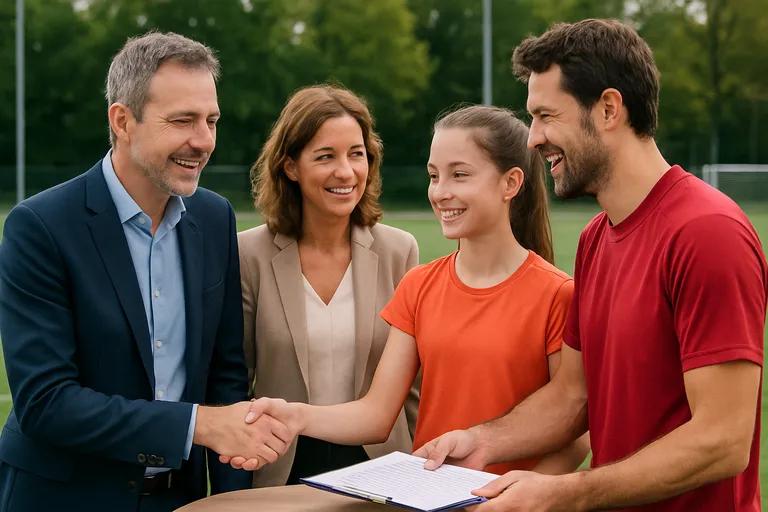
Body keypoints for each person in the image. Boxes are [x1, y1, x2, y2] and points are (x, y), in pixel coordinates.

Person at [411, 19, 767, 512]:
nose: (533, 139)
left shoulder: (708, 233)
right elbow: (572, 397)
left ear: (607, 108)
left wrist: (568, 492)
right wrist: (482, 441)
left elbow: (723, 440)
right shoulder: (596, 240)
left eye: (545, 116)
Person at [0, 32, 291, 512]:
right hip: (61, 498)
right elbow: (45, 404)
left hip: (178, 501)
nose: (203, 141)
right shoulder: (41, 227)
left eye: (211, 121)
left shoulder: (214, 219)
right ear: (123, 121)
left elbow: (225, 379)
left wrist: (235, 500)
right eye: (182, 121)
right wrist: (196, 425)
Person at [228, 104, 590, 477]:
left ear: (510, 184)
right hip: (432, 499)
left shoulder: (558, 295)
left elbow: (577, 426)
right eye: (434, 176)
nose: (440, 192)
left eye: (459, 175)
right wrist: (296, 415)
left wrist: (523, 492)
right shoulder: (418, 285)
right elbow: (376, 415)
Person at [236, 84, 421, 488]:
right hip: (282, 469)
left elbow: (414, 390)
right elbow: (235, 380)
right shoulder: (248, 254)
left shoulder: (399, 251)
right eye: (325, 156)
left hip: (382, 470)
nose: (346, 171)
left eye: (357, 154)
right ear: (290, 166)